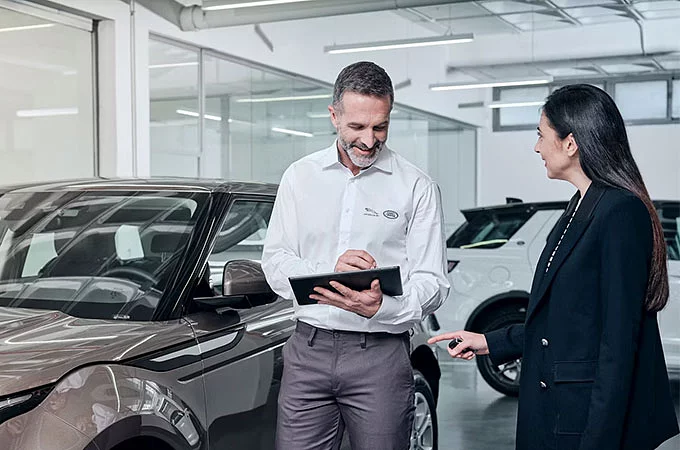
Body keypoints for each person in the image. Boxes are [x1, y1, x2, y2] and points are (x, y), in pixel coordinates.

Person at [430, 84, 680, 450]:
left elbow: (619, 345)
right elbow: (560, 322)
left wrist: (598, 441)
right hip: (557, 409)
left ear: (570, 143)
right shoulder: (578, 207)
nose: (536, 147)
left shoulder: (620, 212)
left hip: (585, 420)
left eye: (541, 135)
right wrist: (488, 341)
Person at [262, 61, 449, 450]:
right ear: (334, 116)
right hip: (307, 351)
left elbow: (433, 281)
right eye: (357, 127)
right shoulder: (300, 176)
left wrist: (381, 308)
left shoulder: (416, 186)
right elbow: (275, 261)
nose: (369, 140)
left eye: (380, 127)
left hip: (379, 355)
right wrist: (328, 270)